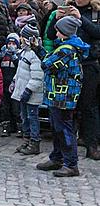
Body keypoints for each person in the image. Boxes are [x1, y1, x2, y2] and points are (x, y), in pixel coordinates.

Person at [36, 16, 87, 177]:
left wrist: (40, 52)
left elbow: (47, 64)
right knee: (57, 128)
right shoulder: (66, 47)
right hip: (57, 95)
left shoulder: (66, 49)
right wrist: (38, 49)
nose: (55, 33)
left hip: (63, 97)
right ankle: (57, 157)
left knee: (64, 129)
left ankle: (71, 163)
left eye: (58, 30)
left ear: (64, 32)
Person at [69, 0, 100, 161]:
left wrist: (80, 18)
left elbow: (97, 32)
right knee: (68, 108)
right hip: (70, 65)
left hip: (89, 65)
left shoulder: (95, 13)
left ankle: (92, 145)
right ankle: (66, 147)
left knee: (89, 107)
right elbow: (51, 34)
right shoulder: (68, 9)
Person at [11, 24, 44, 155]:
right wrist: (14, 81)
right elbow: (20, 71)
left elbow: (37, 76)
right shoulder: (24, 52)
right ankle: (27, 139)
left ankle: (34, 141)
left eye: (22, 37)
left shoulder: (34, 55)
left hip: (31, 94)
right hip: (22, 91)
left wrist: (29, 90)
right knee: (24, 117)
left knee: (32, 117)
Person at [0, 33, 21, 137]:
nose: (11, 45)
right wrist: (1, 56)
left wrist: (14, 56)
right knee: (6, 107)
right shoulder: (3, 54)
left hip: (15, 85)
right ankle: (7, 126)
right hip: (4, 84)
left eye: (13, 43)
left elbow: (19, 66)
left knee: (16, 108)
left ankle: (19, 126)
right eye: (9, 43)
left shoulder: (19, 55)